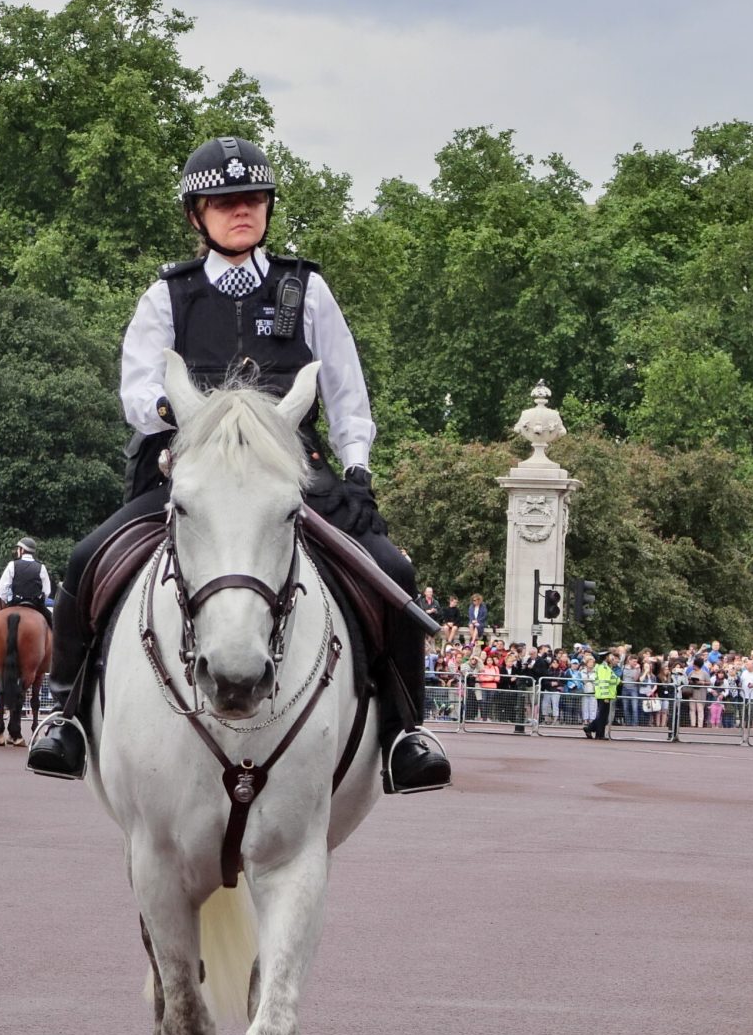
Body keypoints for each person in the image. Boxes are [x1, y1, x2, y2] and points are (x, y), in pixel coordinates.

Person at [27, 134, 450, 794]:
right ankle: (69, 716)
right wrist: (185, 418)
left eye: (252, 199)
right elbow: (139, 391)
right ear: (197, 215)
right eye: (224, 202)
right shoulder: (167, 294)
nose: (241, 210)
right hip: (186, 468)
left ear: (268, 208)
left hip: (291, 473)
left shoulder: (306, 288)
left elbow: (346, 392)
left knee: (391, 570)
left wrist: (359, 470)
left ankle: (404, 732)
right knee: (86, 559)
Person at [0, 537, 52, 612]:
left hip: (16, 602)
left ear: (22, 550)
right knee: (50, 620)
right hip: (35, 603)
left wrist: (7, 601)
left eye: (18, 549)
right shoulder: (41, 567)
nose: (17, 551)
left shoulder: (12, 564)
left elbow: (2, 587)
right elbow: (46, 591)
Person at [584, 649, 617, 739]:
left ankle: (592, 730)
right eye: (610, 656)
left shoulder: (605, 667)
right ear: (606, 657)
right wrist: (605, 696)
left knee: (603, 716)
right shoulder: (603, 668)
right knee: (602, 716)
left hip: (605, 694)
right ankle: (597, 733)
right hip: (604, 695)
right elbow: (604, 682)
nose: (612, 658)